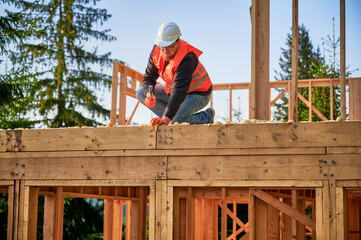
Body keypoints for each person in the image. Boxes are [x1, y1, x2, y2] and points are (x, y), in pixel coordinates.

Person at [136, 22, 215, 126]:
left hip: (198, 94)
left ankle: (207, 116)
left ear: (177, 42)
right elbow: (148, 77)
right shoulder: (156, 51)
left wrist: (166, 119)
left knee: (175, 122)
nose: (164, 51)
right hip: (172, 91)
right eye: (162, 47)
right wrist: (149, 94)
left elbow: (178, 92)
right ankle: (175, 115)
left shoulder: (187, 58)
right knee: (141, 93)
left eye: (169, 47)